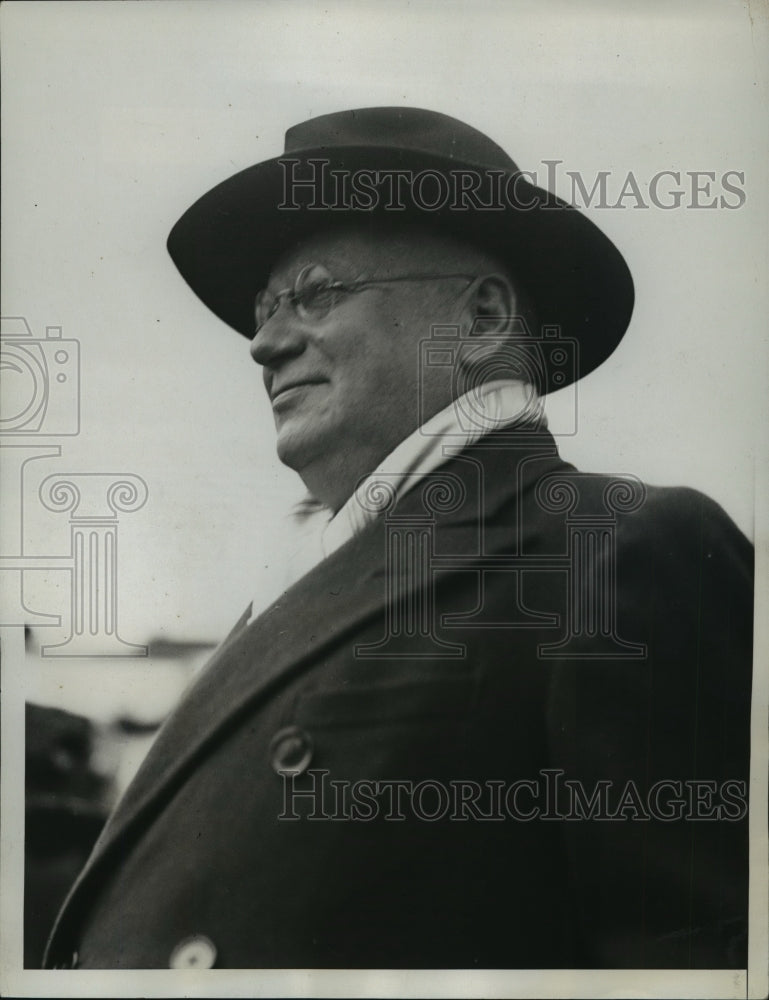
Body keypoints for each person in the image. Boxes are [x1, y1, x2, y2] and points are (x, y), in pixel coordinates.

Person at [43, 107, 753, 971]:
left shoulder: (615, 551)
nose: (262, 343)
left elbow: (689, 968)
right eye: (265, 308)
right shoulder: (309, 577)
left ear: (482, 319)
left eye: (315, 293)